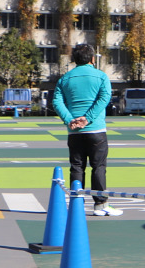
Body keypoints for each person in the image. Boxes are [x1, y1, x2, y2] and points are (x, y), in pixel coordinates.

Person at [51, 44, 120, 216]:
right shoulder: (101, 76)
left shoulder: (65, 79)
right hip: (96, 130)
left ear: (74, 60)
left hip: (74, 132)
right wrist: (88, 117)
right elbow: (105, 98)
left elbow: (57, 102)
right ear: (92, 59)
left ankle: (76, 204)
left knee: (76, 167)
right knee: (98, 167)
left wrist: (69, 120)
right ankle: (100, 205)